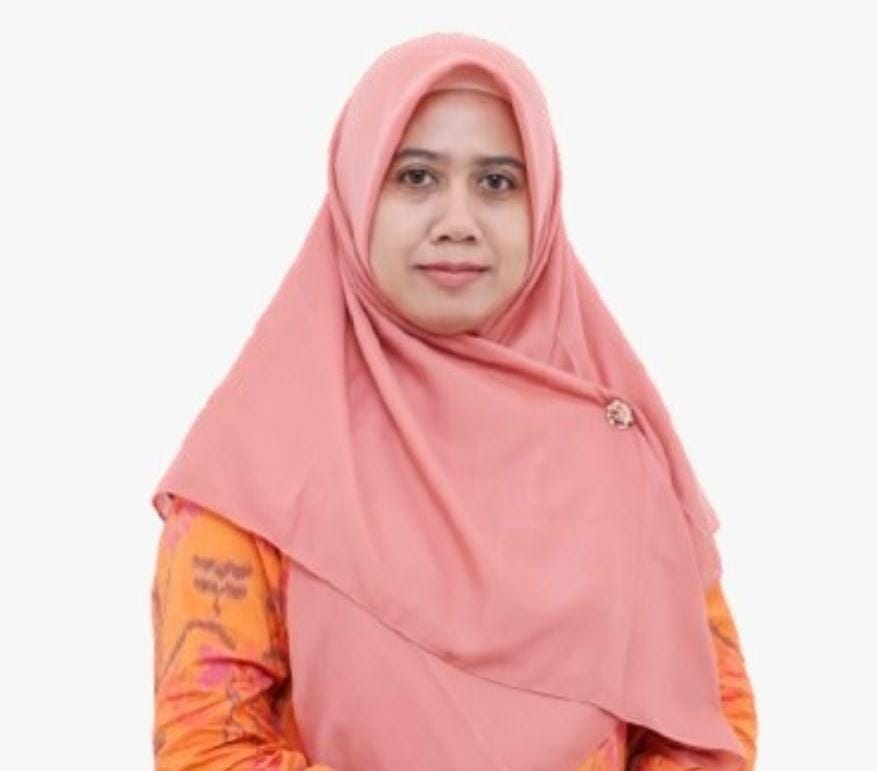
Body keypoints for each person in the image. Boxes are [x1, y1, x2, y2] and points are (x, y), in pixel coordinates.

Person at [150, 32, 758, 771]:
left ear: (543, 206)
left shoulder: (618, 453)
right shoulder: (257, 464)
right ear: (356, 192)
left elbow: (707, 723)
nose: (457, 220)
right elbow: (206, 746)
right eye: (416, 177)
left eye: (497, 182)